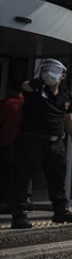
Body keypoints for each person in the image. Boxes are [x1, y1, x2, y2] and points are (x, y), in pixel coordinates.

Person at [8, 60, 72, 229]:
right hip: (31, 140)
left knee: (57, 178)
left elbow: (68, 117)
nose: (51, 74)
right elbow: (24, 86)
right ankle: (19, 214)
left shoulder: (66, 95)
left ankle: (61, 210)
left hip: (56, 142)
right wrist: (34, 83)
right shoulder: (36, 90)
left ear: (63, 76)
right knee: (22, 177)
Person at [0, 81, 21, 214]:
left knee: (7, 175)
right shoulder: (28, 105)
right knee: (21, 175)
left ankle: (8, 202)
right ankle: (22, 201)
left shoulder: (5, 104)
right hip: (23, 145)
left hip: (6, 143)